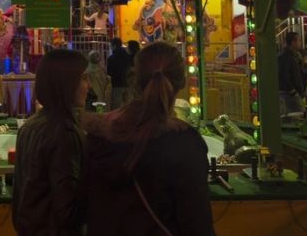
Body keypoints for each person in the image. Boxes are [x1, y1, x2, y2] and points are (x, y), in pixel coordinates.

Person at [83, 41, 215, 236]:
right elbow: (196, 222)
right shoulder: (184, 143)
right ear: (182, 82)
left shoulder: (99, 134)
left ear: (135, 79)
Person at [12, 48, 89, 236]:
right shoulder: (64, 133)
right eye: (84, 78)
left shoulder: (30, 127)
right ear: (67, 83)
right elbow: (68, 210)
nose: (89, 86)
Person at [278, 32, 307, 115]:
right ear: (293, 42)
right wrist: (293, 91)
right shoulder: (288, 57)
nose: (300, 42)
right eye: (299, 40)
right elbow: (284, 75)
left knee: (291, 117)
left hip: (292, 92)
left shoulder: (293, 57)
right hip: (290, 94)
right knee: (299, 115)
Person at [107, 38, 131, 110]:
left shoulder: (111, 58)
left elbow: (109, 72)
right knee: (128, 106)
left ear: (114, 46)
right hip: (128, 83)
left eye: (111, 46)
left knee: (117, 107)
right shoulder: (128, 56)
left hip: (117, 84)